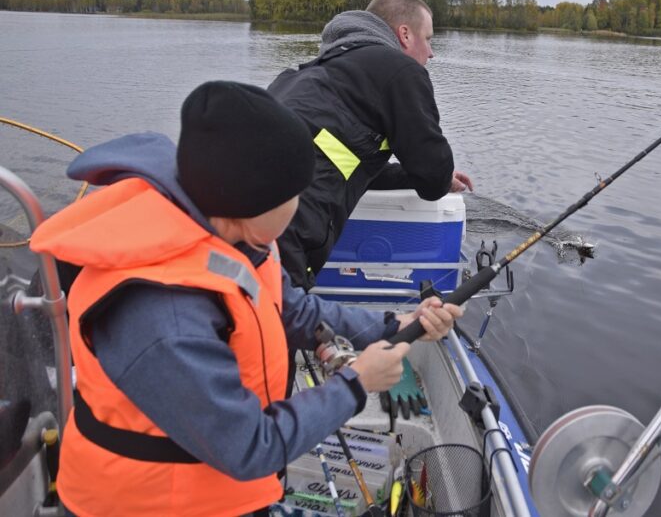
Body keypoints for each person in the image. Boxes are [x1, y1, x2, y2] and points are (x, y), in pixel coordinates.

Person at [30, 81, 463, 517]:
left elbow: (294, 310)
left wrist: (399, 322)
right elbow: (248, 446)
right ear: (254, 198)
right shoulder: (164, 316)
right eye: (295, 194)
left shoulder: (229, 229)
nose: (300, 204)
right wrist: (356, 384)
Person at [268, 0, 473, 290]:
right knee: (279, 326)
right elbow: (431, 179)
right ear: (404, 34)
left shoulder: (311, 73)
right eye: (428, 39)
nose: (431, 53)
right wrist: (442, 179)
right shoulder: (401, 71)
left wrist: (409, 176)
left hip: (241, 212)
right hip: (291, 226)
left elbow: (349, 164)